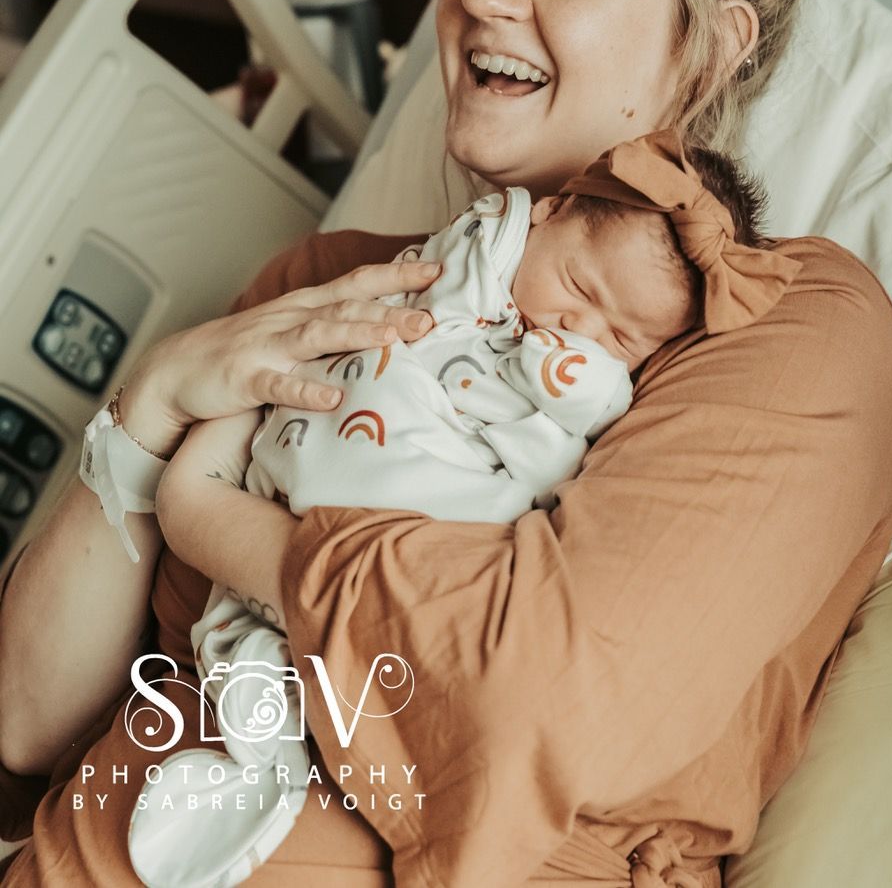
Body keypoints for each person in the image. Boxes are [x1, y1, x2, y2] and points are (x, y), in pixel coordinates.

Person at [0, 0, 892, 888]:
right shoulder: (315, 288)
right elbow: (25, 722)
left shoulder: (783, 319)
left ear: (710, 46)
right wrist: (153, 398)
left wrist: (229, 523)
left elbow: (530, 694)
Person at [127, 130, 792, 888]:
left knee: (327, 707)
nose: (579, 330)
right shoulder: (468, 259)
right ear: (546, 217)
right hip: (296, 479)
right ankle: (246, 775)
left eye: (623, 339)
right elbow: (470, 254)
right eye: (577, 287)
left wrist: (581, 388)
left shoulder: (596, 385)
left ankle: (261, 794)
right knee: (243, 662)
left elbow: (554, 472)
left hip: (405, 549)